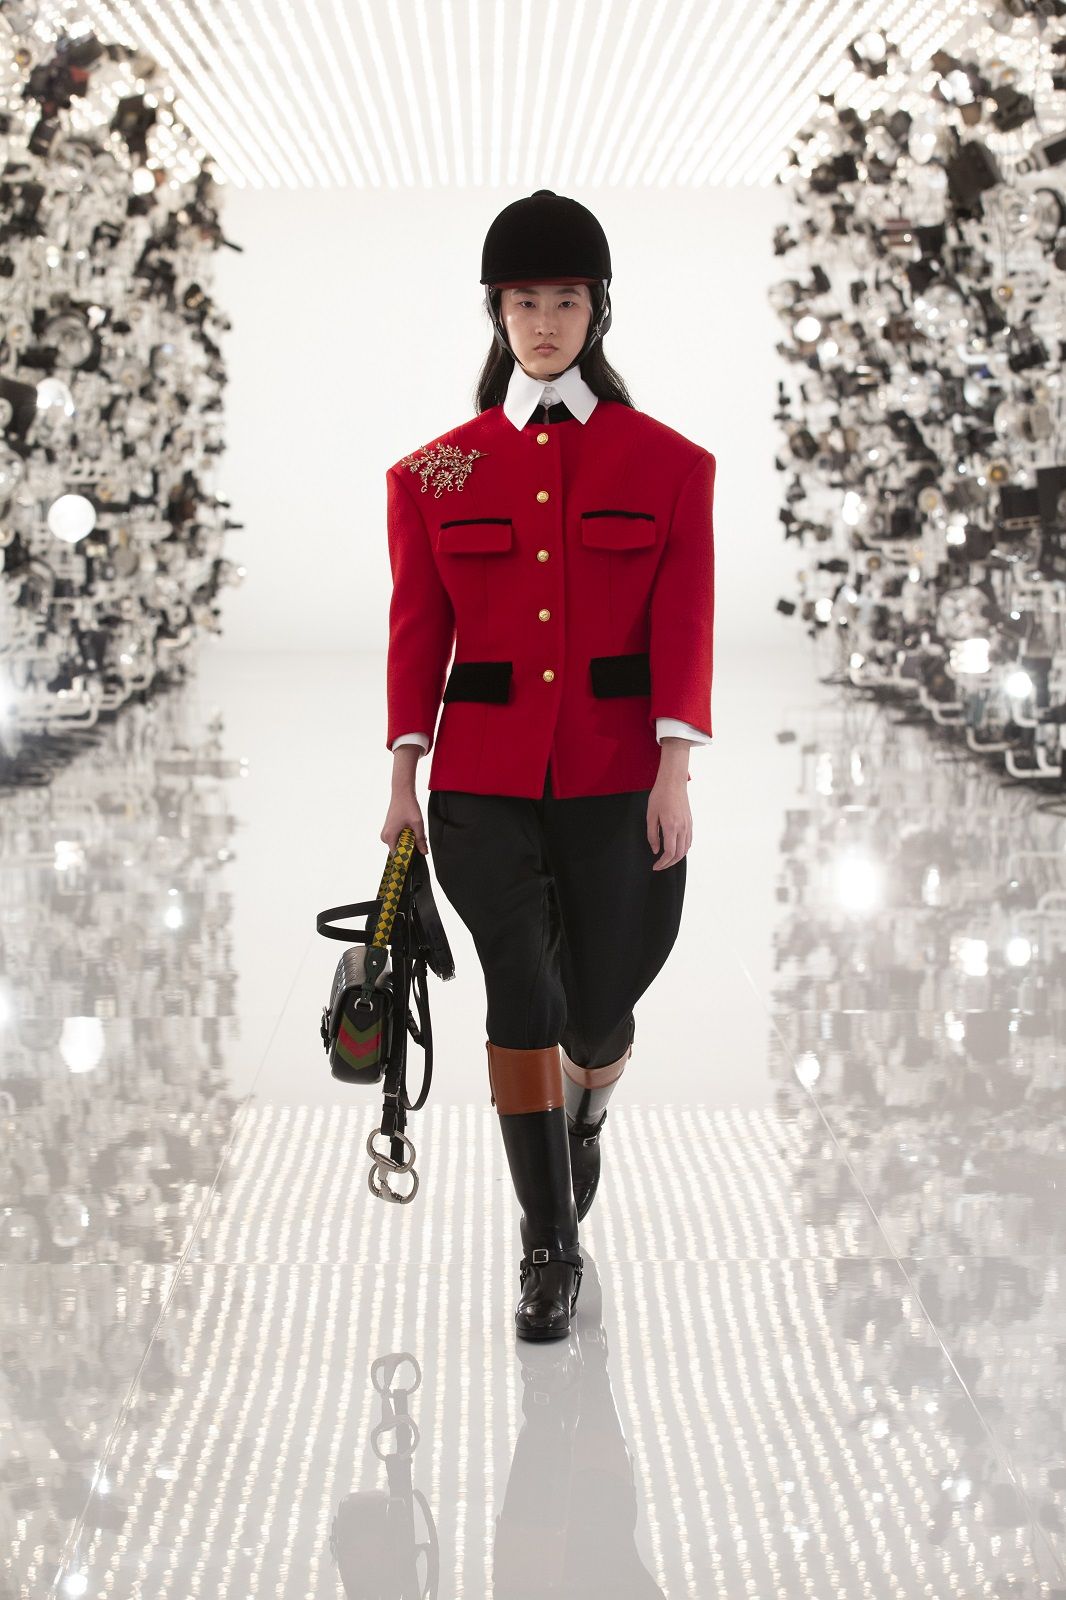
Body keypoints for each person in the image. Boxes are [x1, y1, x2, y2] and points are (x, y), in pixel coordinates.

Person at [381, 189, 716, 1341]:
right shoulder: (433, 474)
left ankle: (584, 1114)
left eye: (563, 300)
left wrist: (674, 769)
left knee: (599, 1007)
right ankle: (547, 1246)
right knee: (520, 991)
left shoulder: (669, 464)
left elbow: (683, 627)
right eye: (521, 300)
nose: (541, 321)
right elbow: (417, 635)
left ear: (596, 310)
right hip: (481, 784)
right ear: (496, 310)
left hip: (618, 779)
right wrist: (402, 778)